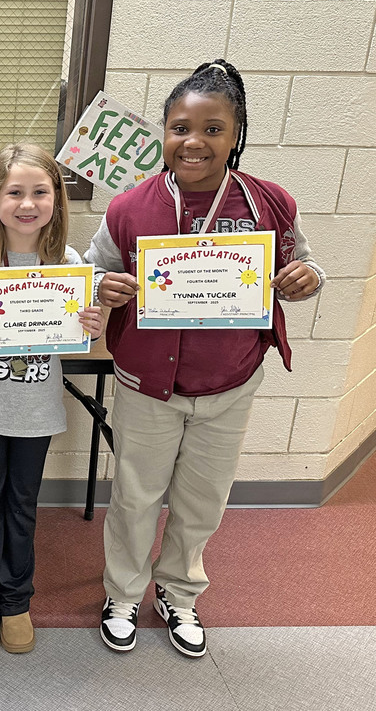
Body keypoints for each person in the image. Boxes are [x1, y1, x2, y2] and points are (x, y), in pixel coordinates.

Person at [86, 59, 325, 657]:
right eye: (180, 127)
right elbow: (92, 273)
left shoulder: (270, 203)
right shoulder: (128, 208)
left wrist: (307, 277)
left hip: (229, 381)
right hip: (147, 383)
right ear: (163, 132)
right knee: (136, 496)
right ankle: (122, 592)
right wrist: (101, 286)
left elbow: (307, 262)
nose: (193, 142)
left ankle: (180, 593)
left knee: (202, 498)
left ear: (236, 133)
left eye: (212, 129)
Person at [0, 143, 103, 653]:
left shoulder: (68, 262)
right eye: (15, 192)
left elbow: (77, 337)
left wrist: (90, 326)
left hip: (36, 408)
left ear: (57, 198)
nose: (27, 203)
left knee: (23, 505)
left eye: (40, 191)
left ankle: (15, 600)